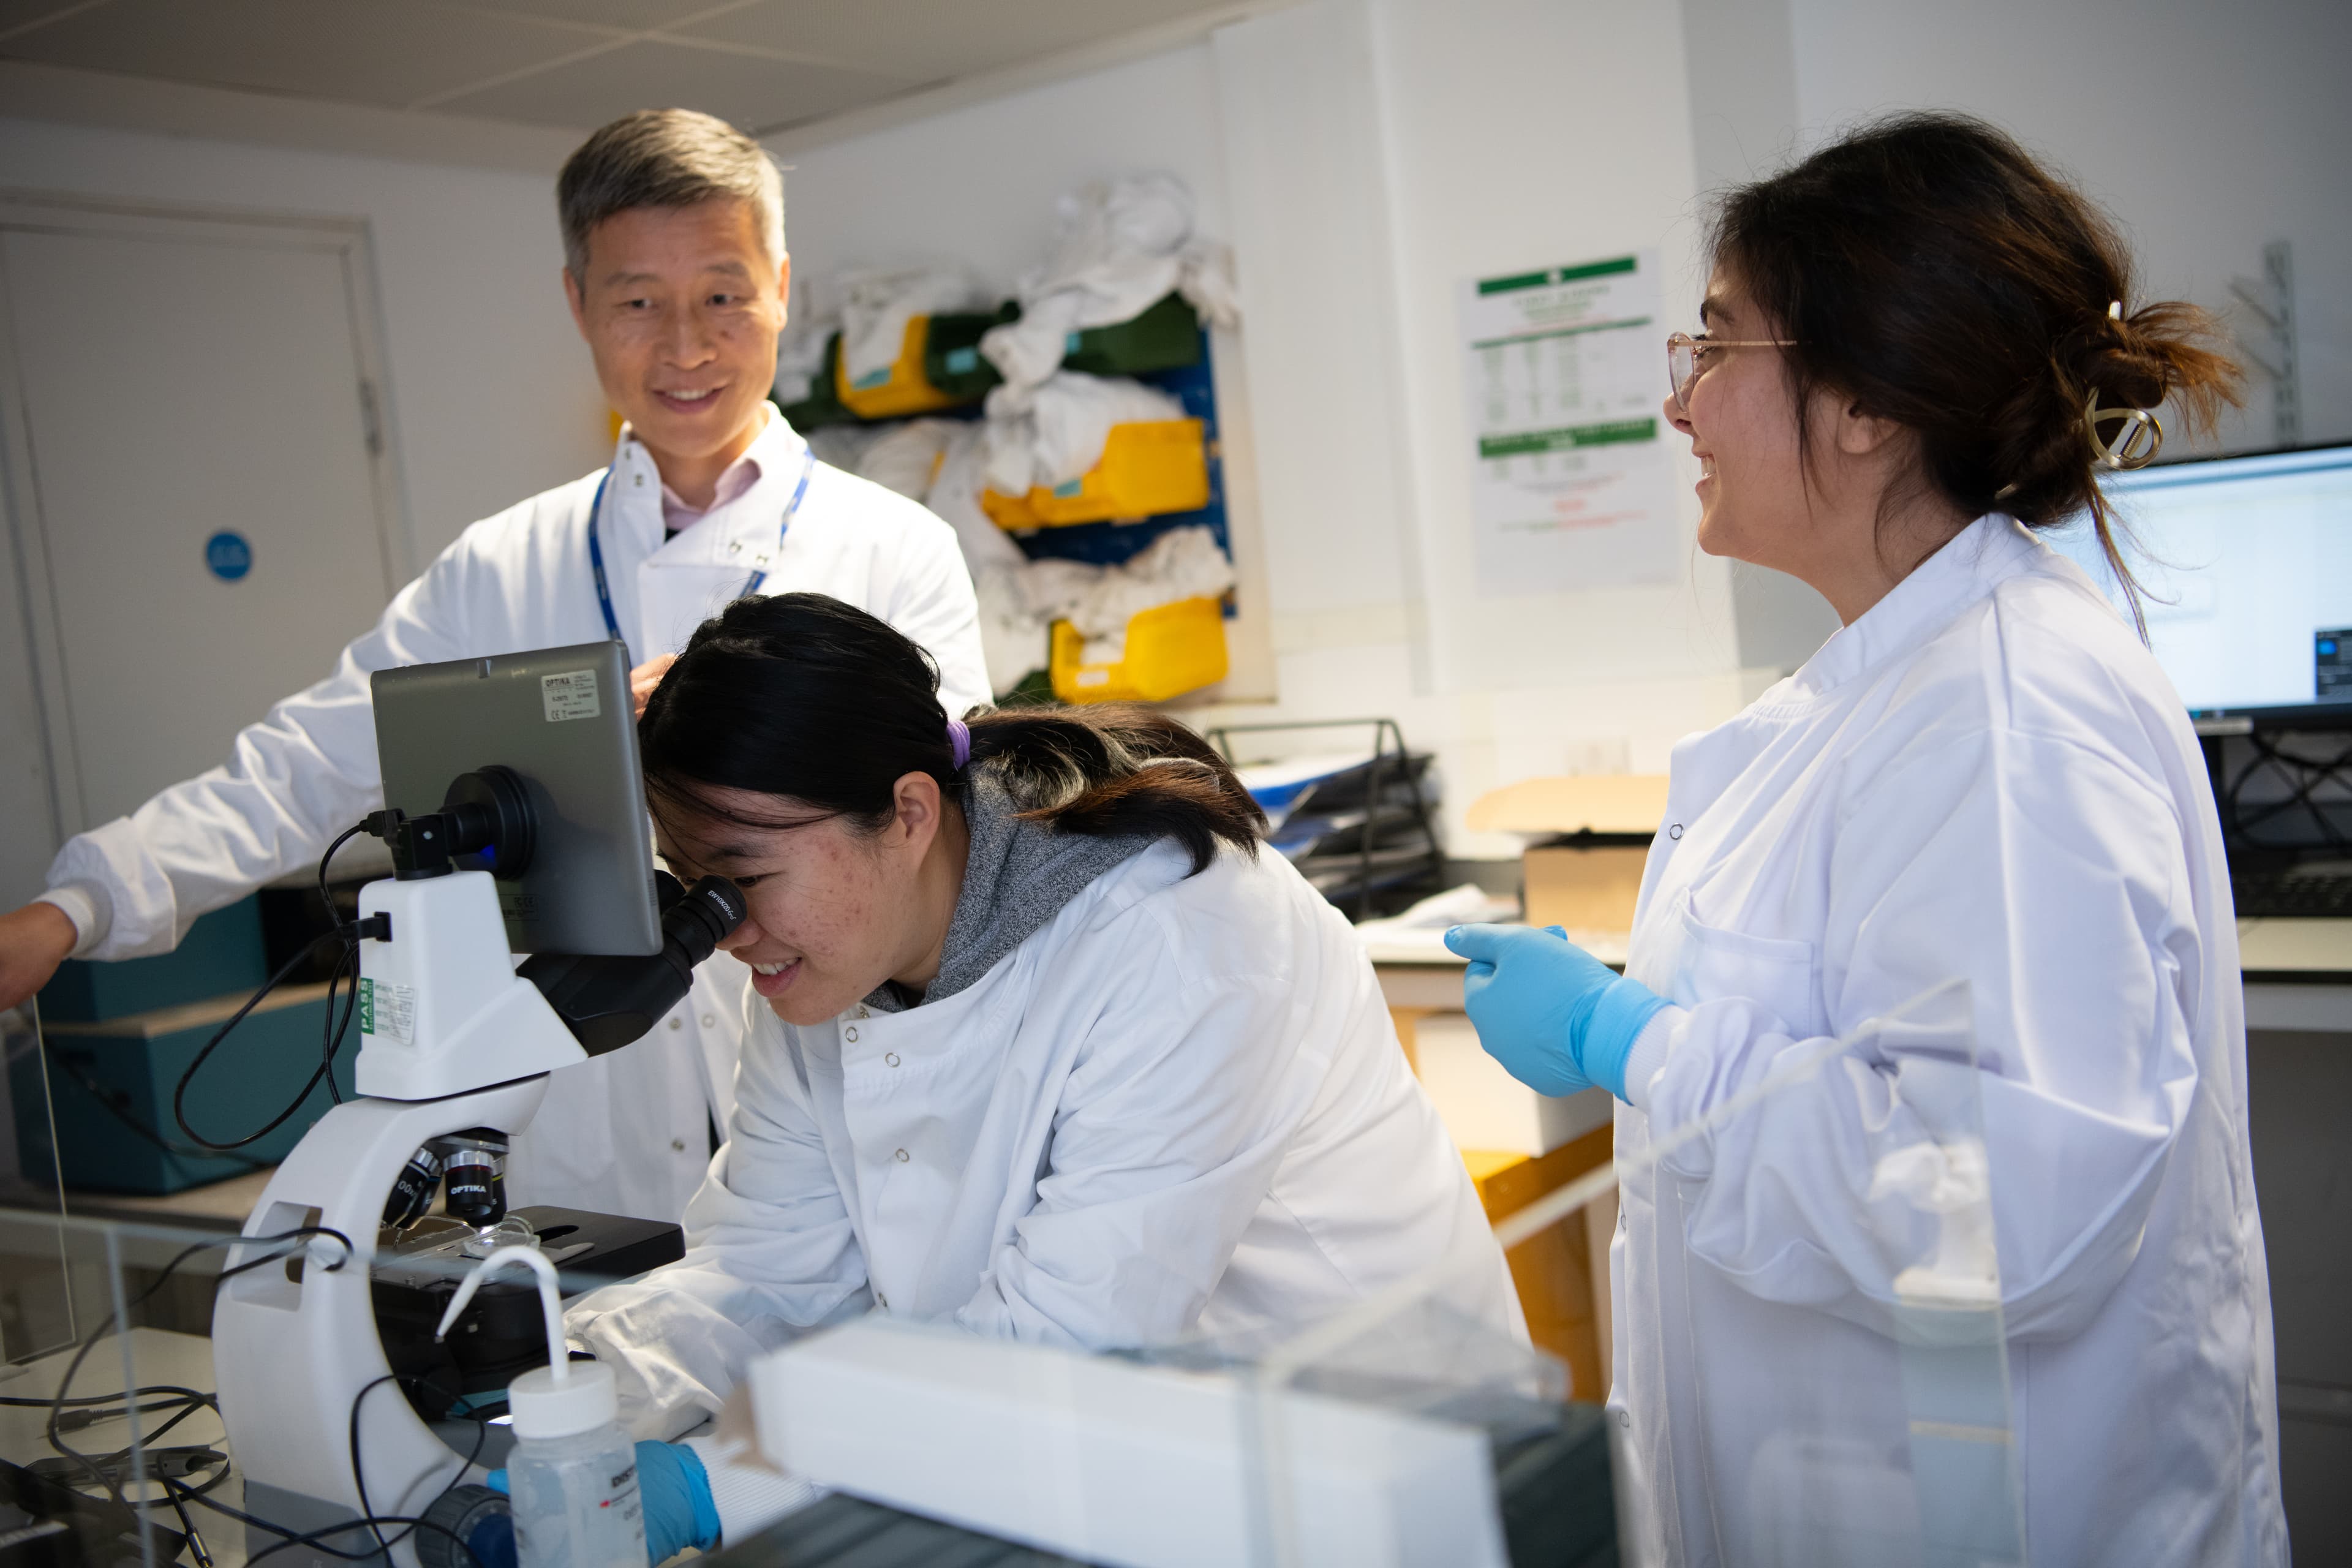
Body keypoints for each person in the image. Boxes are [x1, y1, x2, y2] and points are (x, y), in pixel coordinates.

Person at [1445, 115, 2285, 1567]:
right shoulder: (1902, 681)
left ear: (1868, 407)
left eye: (1713, 350)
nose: (1679, 406)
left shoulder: (2005, 716)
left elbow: (2000, 1200)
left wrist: (1628, 1041)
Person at [0, 109, 989, 1221]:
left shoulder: (895, 547)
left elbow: (949, 816)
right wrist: (75, 908)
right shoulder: (502, 567)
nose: (685, 346)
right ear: (576, 303)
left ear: (781, 286)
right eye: (635, 302)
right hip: (593, 1140)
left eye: (721, 293)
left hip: (850, 1116)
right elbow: (305, 766)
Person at [534, 591, 1521, 1556]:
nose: (726, 934)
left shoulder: (1179, 935)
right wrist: (568, 1387)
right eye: (694, 886)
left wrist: (717, 1483)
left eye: (743, 879)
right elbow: (763, 1272)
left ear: (911, 812)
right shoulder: (820, 971)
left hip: (1344, 1474)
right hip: (1084, 1470)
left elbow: (1065, 1345)